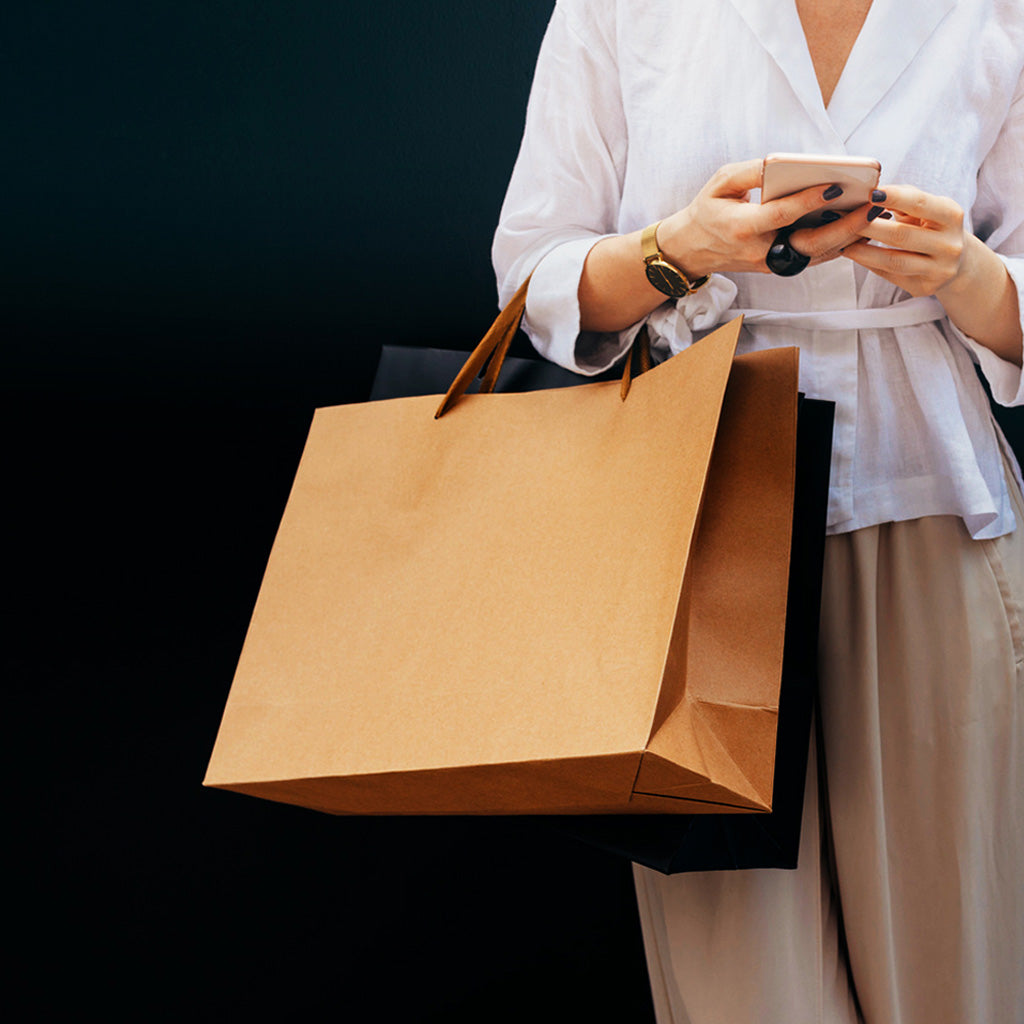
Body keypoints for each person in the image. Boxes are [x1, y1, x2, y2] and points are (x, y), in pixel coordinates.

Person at [492, 1, 1024, 1021]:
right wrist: (674, 249)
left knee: (956, 979)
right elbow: (534, 271)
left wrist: (963, 272)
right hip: (692, 529)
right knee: (745, 993)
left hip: (929, 518)